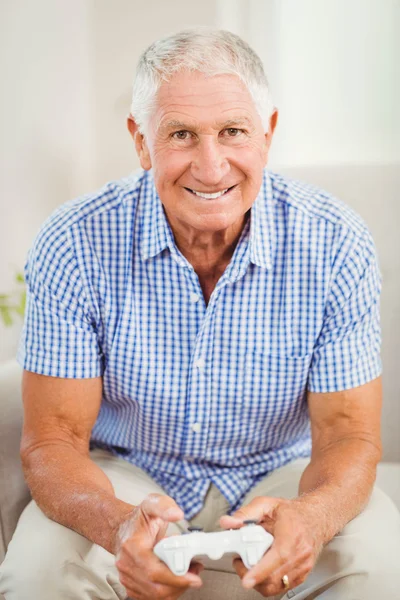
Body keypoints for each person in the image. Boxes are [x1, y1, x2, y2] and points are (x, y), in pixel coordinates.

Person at [0, 27, 399, 600]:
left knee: (382, 568)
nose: (211, 167)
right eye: (181, 134)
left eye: (233, 132)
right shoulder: (73, 242)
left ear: (268, 133)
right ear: (141, 141)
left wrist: (311, 518)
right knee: (36, 576)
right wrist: (117, 526)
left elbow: (348, 435)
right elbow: (53, 441)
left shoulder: (335, 242)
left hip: (281, 475)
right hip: (125, 472)